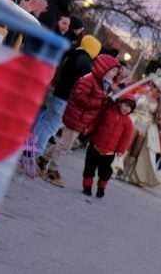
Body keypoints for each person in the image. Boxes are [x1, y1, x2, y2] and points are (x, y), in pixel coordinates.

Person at [43, 54, 122, 187]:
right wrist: (100, 102)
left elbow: (98, 102)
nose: (115, 74)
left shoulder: (102, 84)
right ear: (105, 68)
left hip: (81, 119)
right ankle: (52, 169)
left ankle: (44, 158)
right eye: (113, 70)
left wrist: (106, 102)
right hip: (75, 117)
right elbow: (80, 98)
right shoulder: (89, 80)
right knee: (65, 145)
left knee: (67, 144)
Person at [32, 34, 101, 166]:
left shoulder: (72, 52)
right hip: (65, 97)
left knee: (45, 122)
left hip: (57, 92)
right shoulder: (84, 60)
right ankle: (36, 152)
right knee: (51, 127)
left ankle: (30, 147)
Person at [81, 91, 136, 199]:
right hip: (95, 145)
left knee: (105, 172)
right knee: (89, 168)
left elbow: (126, 137)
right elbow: (96, 122)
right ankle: (87, 187)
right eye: (125, 104)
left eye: (130, 107)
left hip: (109, 152)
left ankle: (101, 188)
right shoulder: (107, 111)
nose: (126, 108)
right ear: (120, 102)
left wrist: (121, 149)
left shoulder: (128, 122)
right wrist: (88, 128)